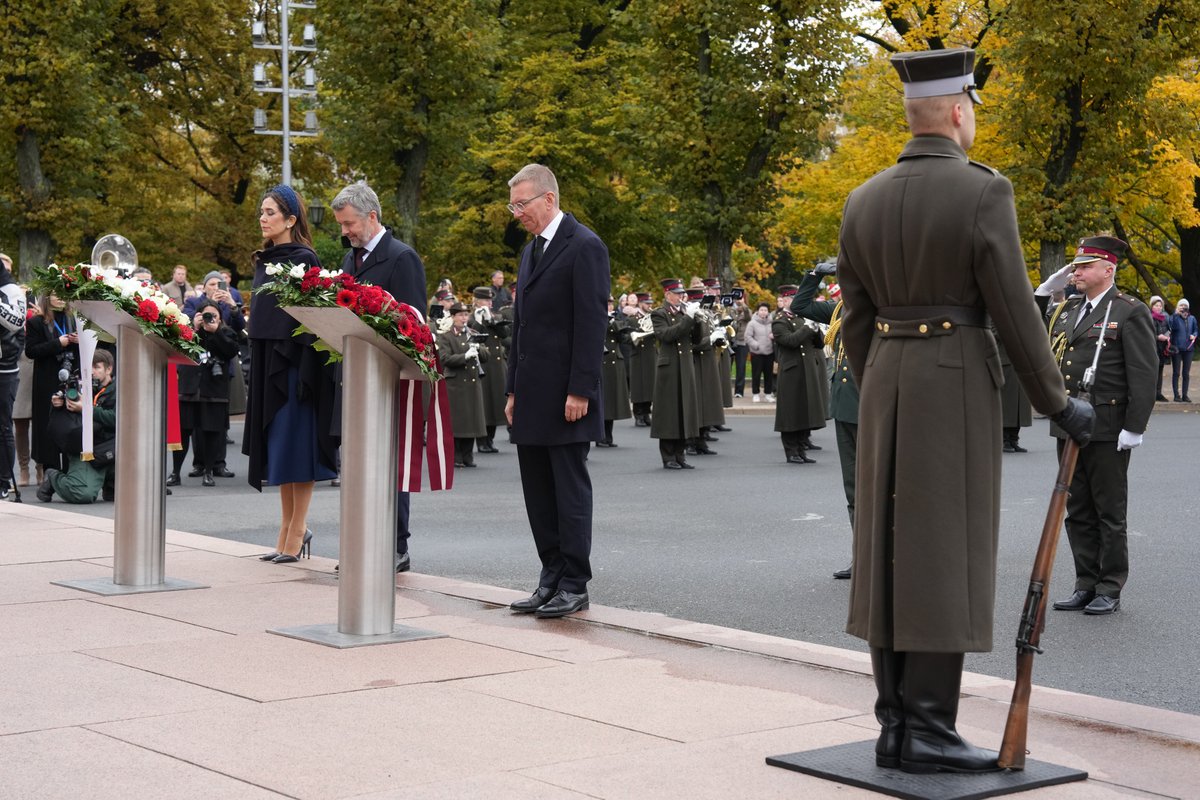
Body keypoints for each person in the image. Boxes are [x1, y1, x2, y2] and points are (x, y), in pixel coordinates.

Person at [836, 48, 1093, 775]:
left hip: (885, 376)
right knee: (943, 550)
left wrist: (883, 379)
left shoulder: (863, 198)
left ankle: (895, 723)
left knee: (889, 548)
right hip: (951, 381)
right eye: (972, 106)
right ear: (957, 110)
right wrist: (1057, 402)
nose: (973, 116)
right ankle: (928, 728)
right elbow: (1014, 310)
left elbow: (855, 320)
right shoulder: (984, 192)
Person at [504, 163, 609, 618]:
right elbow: (522, 327)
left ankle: (574, 582)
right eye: (512, 205)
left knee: (568, 491)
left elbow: (591, 323)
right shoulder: (532, 251)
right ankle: (549, 576)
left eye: (521, 203)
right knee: (538, 493)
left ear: (548, 199)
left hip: (567, 395)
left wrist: (581, 390)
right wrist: (511, 391)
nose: (516, 213)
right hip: (531, 394)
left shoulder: (585, 246)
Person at [1036, 235, 1157, 616]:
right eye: (1076, 265)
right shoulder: (1070, 309)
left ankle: (1110, 586)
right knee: (1078, 508)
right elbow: (1032, 334)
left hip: (1108, 424)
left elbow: (1143, 373)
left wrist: (1134, 426)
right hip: (1072, 423)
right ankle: (1085, 583)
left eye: (1086, 265)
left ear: (1109, 269)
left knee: (1109, 510)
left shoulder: (1128, 311)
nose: (1077, 271)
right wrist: (1042, 293)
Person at [331, 180, 428, 572]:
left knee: (388, 465)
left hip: (387, 381)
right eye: (341, 224)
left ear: (372, 216)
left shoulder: (401, 258)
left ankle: (394, 544)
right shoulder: (350, 260)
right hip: (354, 377)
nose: (345, 232)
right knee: (356, 465)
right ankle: (361, 541)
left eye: (349, 223)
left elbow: (413, 323)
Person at [244, 184, 335, 563]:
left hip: (297, 365)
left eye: (270, 213)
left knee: (298, 449)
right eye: (262, 213)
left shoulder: (304, 259)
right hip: (268, 362)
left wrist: (303, 371)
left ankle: (297, 531)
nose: (263, 219)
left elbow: (313, 322)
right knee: (280, 451)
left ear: (291, 219)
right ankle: (286, 530)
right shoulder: (265, 261)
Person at [793, 261, 858, 578]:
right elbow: (800, 304)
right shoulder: (839, 310)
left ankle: (886, 556)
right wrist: (816, 275)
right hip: (845, 408)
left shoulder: (877, 308)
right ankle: (862, 557)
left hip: (871, 408)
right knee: (854, 489)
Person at [167, 298, 241, 487]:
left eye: (213, 316)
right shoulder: (189, 332)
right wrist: (194, 327)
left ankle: (208, 471)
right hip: (189, 389)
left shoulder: (226, 333)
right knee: (184, 433)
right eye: (205, 315)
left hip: (214, 391)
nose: (209, 319)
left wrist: (215, 331)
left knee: (211, 433)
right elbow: (177, 348)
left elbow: (231, 351)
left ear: (220, 317)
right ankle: (175, 472)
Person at [36, 350, 116, 504]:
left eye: (97, 367)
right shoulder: (79, 386)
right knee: (82, 493)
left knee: (138, 490)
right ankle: (53, 477)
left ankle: (111, 484)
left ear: (109, 369)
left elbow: (117, 418)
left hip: (114, 449)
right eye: (89, 367)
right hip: (88, 450)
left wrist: (86, 408)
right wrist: (58, 404)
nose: (92, 372)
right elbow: (67, 424)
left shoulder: (120, 389)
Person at [25, 294, 80, 473]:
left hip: (71, 375)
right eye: (56, 295)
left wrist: (80, 342)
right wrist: (58, 343)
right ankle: (51, 473)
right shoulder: (36, 322)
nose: (61, 298)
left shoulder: (74, 318)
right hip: (47, 379)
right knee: (47, 425)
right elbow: (31, 351)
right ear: (47, 298)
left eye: (63, 294)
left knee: (72, 422)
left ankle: (71, 472)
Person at [772, 285, 827, 463]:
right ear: (786, 301)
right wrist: (807, 328)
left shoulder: (803, 318)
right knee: (791, 412)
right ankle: (791, 451)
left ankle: (802, 449)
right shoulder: (780, 320)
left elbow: (819, 345)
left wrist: (817, 329)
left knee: (805, 409)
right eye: (794, 299)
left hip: (807, 370)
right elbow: (790, 341)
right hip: (792, 371)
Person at [650, 279, 700, 469]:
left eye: (682, 293)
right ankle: (668, 456)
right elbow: (666, 336)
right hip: (669, 367)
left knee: (684, 411)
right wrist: (688, 318)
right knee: (669, 412)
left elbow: (695, 339)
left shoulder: (683, 313)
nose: (681, 296)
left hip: (686, 366)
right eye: (677, 293)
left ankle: (680, 455)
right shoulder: (659, 314)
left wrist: (698, 321)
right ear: (667, 294)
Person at [438, 302, 488, 467]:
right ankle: (456, 456)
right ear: (453, 317)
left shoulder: (472, 333)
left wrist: (478, 349)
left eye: (466, 315)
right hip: (456, 383)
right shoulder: (446, 336)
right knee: (458, 423)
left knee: (472, 421)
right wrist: (465, 356)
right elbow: (444, 359)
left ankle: (468, 456)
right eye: (460, 315)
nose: (464, 318)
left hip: (472, 382)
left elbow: (486, 355)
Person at [471, 286, 510, 454]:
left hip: (497, 363)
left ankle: (491, 439)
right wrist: (479, 321)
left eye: (490, 300)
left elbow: (504, 333)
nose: (489, 303)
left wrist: (493, 320)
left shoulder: (496, 315)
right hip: (483, 362)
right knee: (485, 403)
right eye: (486, 300)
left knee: (496, 402)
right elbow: (473, 335)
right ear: (477, 301)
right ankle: (482, 441)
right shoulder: (473, 317)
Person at [0, 255, 26, 499]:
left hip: (4, 368)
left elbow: (17, 322)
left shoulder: (11, 290)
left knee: (3, 425)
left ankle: (3, 481)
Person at [597, 297, 632, 447]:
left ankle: (608, 436)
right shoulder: (596, 317)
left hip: (615, 360)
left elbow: (623, 339)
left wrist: (617, 325)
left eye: (611, 303)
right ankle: (600, 437)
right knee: (604, 400)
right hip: (603, 361)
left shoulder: (615, 319)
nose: (609, 306)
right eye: (607, 304)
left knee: (612, 400)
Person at [627, 292, 656, 427]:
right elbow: (627, 337)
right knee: (639, 386)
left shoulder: (653, 318)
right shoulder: (633, 318)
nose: (649, 306)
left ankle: (646, 413)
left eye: (651, 303)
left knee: (650, 385)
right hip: (638, 354)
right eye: (647, 303)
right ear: (640, 304)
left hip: (650, 354)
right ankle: (638, 414)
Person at [744, 302, 775, 402]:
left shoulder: (772, 323)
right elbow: (747, 337)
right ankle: (755, 393)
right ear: (757, 311)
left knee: (768, 375)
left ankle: (768, 394)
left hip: (769, 352)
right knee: (756, 374)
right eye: (761, 310)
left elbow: (778, 333)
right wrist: (756, 345)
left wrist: (774, 337)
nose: (763, 312)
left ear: (768, 312)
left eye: (765, 310)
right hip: (757, 353)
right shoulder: (752, 323)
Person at [1167, 298, 1196, 401]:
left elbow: (1196, 330)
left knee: (1186, 373)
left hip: (1189, 349)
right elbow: (1172, 327)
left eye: (1185, 306)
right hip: (1177, 349)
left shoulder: (1192, 318)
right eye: (1181, 306)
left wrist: (1194, 335)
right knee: (1176, 372)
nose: (1183, 308)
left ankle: (1185, 395)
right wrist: (1176, 314)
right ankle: (1176, 395)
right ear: (1177, 307)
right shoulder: (1173, 317)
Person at [729, 290, 752, 398]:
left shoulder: (747, 311)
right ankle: (726, 389)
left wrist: (743, 305)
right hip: (730, 341)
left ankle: (739, 391)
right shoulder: (730, 310)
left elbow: (748, 317)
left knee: (741, 367)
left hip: (742, 342)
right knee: (727, 366)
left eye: (741, 298)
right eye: (737, 298)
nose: (738, 300)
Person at [1150, 296, 1171, 401]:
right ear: (1152, 306)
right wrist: (1158, 337)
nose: (1158, 307)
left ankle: (1159, 393)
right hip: (1152, 348)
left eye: (1160, 305)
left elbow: (1168, 329)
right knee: (1152, 371)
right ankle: (1152, 394)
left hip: (1162, 348)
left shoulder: (1165, 318)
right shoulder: (1148, 317)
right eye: (1156, 305)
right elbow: (1146, 334)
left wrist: (1168, 335)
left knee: (1160, 371)